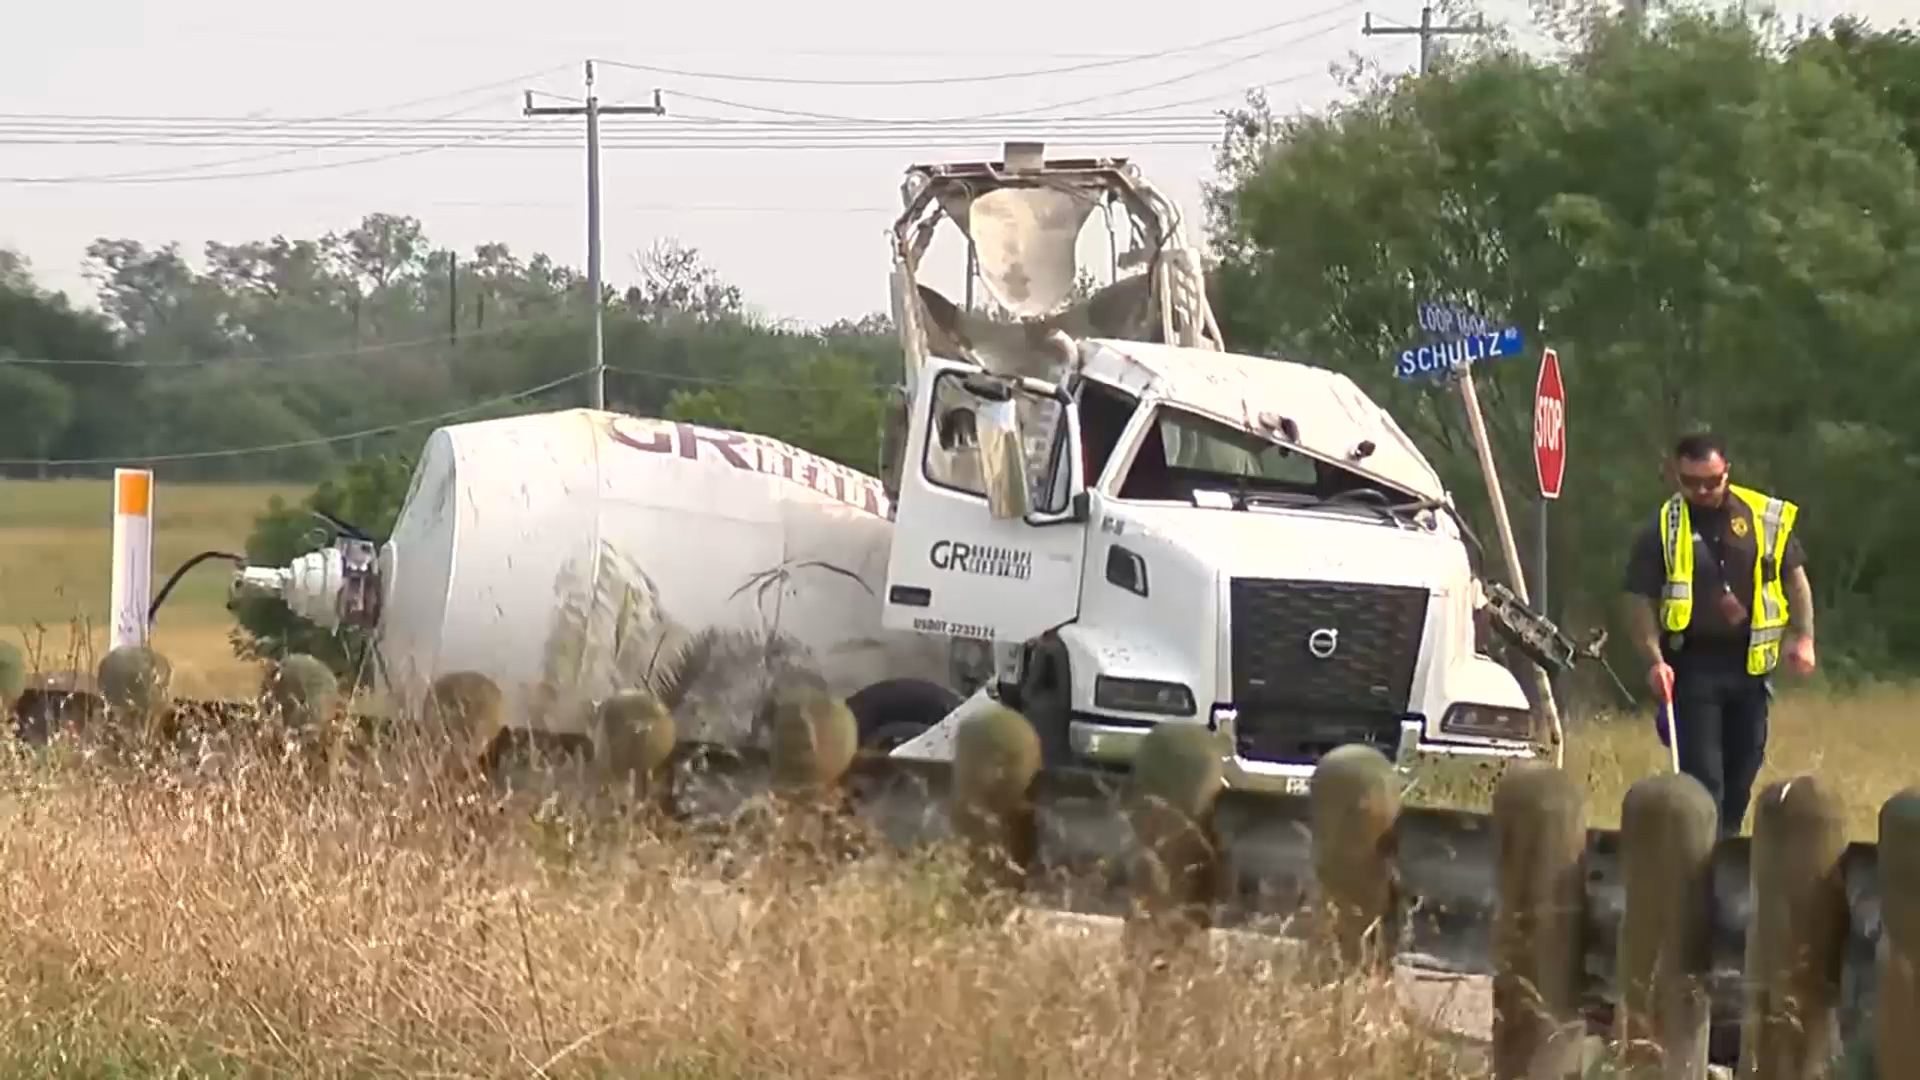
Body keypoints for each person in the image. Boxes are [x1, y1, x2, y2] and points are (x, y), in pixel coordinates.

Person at [1621, 432, 1816, 837]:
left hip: (1750, 663)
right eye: (1692, 483)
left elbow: (1795, 580)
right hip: (1692, 665)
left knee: (1745, 765)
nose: (1703, 491)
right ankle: (1703, 858)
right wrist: (1654, 661)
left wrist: (1804, 636)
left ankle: (1727, 841)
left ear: (1727, 471)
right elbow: (1639, 600)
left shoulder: (1763, 515)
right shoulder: (1662, 528)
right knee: (1703, 775)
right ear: (1676, 477)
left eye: (1712, 481)